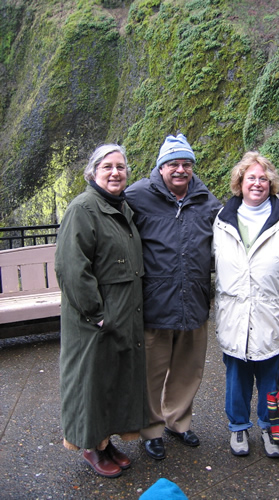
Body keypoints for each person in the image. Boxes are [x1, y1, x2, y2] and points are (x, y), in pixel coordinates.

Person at [212, 151, 279, 459]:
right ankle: (238, 427)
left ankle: (271, 427)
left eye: (263, 178)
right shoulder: (222, 220)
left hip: (274, 316)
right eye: (250, 178)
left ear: (270, 183)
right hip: (234, 315)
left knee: (272, 378)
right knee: (236, 379)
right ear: (239, 183)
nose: (256, 183)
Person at [125, 133, 222, 460]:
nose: (180, 170)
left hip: (194, 300)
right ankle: (151, 429)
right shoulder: (137, 196)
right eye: (173, 164)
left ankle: (177, 422)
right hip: (155, 302)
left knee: (188, 369)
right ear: (161, 167)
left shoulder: (208, 201)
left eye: (186, 164)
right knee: (152, 371)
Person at [54, 144, 148, 478]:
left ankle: (106, 443)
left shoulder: (121, 208)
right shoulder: (83, 208)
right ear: (94, 171)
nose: (115, 172)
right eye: (107, 166)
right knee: (91, 385)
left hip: (120, 317)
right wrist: (97, 313)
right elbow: (71, 268)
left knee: (111, 382)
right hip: (93, 322)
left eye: (121, 167)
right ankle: (91, 447)